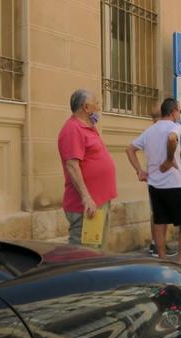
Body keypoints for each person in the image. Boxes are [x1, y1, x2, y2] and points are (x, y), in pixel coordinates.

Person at [126, 98, 181, 266]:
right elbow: (171, 138)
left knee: (159, 222)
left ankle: (163, 260)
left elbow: (130, 149)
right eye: (180, 111)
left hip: (155, 185)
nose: (180, 115)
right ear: (173, 112)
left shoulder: (150, 131)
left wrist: (140, 171)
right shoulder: (175, 127)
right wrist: (170, 159)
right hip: (174, 184)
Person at [58, 89, 117, 246]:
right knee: (83, 255)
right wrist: (86, 197)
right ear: (86, 107)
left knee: (96, 250)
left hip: (98, 201)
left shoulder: (88, 127)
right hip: (86, 205)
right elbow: (72, 165)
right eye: (96, 103)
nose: (99, 107)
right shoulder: (72, 129)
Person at [146, 106, 177, 258]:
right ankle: (156, 244)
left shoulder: (155, 131)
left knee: (160, 214)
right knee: (158, 214)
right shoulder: (156, 132)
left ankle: (159, 244)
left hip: (160, 179)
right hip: (159, 180)